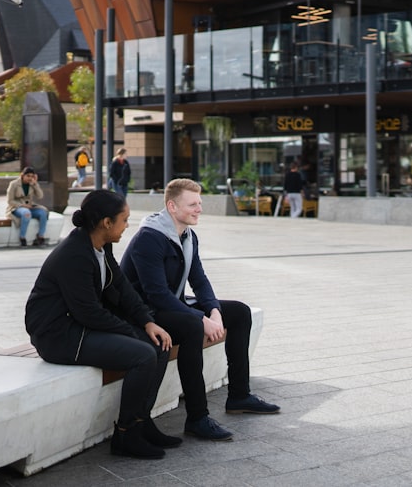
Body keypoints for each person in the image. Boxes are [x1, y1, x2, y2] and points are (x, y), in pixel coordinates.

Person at [120, 179, 280, 443]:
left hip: (172, 304)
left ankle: (239, 395)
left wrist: (214, 311)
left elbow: (200, 280)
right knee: (192, 326)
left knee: (239, 312)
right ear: (172, 206)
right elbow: (156, 294)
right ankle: (197, 417)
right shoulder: (149, 238)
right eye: (193, 204)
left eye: (200, 203)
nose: (199, 209)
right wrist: (200, 319)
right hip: (146, 313)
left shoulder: (188, 236)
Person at [25, 190, 178, 459]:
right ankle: (126, 435)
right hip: (58, 336)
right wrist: (131, 331)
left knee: (158, 344)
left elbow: (122, 286)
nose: (127, 226)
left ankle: (142, 422)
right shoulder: (75, 255)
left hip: (80, 325)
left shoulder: (100, 246)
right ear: (107, 222)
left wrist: (147, 323)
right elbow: (89, 314)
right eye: (124, 220)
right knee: (143, 355)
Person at [6, 167, 49, 247]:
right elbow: (10, 201)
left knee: (43, 213)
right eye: (28, 176)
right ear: (22, 175)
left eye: (32, 176)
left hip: (30, 206)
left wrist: (35, 184)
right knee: (26, 213)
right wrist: (22, 205)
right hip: (16, 207)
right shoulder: (14, 184)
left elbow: (40, 196)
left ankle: (40, 237)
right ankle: (22, 238)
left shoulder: (32, 184)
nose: (30, 178)